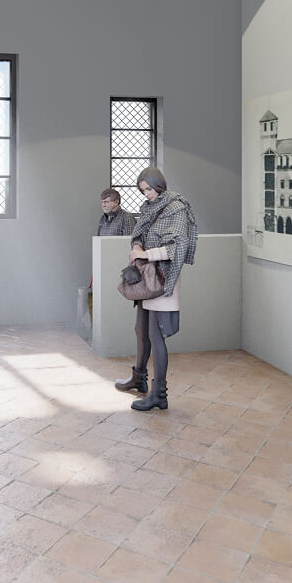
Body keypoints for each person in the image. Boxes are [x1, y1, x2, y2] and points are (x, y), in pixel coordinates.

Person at [115, 167, 196, 411]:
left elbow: (178, 247)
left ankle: (159, 394)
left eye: (149, 189)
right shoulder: (150, 208)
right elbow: (140, 233)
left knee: (156, 335)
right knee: (141, 329)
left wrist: (144, 253)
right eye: (143, 190)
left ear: (159, 185)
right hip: (146, 277)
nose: (146, 194)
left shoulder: (176, 207)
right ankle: (139, 378)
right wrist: (137, 244)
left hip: (163, 278)